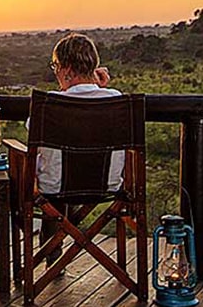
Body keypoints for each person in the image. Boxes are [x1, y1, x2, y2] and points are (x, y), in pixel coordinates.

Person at [22, 32, 125, 264]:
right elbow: (91, 97)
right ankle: (59, 245)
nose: (55, 71)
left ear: (66, 69)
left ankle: (50, 254)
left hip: (55, 189)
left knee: (40, 179)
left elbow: (33, 139)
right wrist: (98, 87)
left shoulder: (49, 104)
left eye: (56, 66)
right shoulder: (116, 100)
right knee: (57, 176)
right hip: (108, 185)